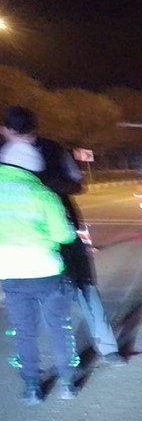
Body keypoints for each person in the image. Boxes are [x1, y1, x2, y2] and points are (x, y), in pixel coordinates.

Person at [1, 106, 126, 367]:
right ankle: (41, 366)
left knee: (83, 285)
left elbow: (77, 183)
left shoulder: (54, 150)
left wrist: (48, 187)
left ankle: (106, 347)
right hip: (21, 242)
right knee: (29, 304)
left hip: (61, 231)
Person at [0, 139, 79, 403]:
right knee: (57, 326)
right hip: (45, 271)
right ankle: (68, 382)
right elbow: (64, 235)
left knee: (24, 331)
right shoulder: (43, 194)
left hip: (10, 272)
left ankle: (32, 387)